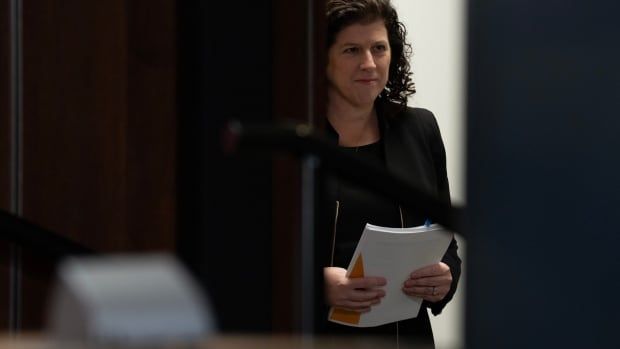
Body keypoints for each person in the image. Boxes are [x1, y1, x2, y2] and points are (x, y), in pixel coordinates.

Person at [320, 0, 461, 347]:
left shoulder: (419, 128)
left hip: (406, 337)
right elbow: (257, 252)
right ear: (322, 59)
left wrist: (445, 278)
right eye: (352, 50)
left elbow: (445, 239)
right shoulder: (298, 137)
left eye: (379, 48)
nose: (369, 63)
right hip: (315, 337)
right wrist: (316, 285)